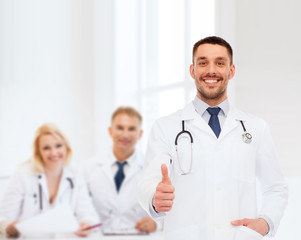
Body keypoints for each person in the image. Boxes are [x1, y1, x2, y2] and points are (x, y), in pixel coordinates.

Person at [138, 36, 288, 240]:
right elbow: (149, 182)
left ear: (231, 71)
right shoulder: (165, 128)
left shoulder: (256, 128)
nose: (211, 71)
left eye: (220, 63)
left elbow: (276, 187)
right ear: (192, 71)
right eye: (203, 63)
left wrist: (265, 223)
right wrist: (155, 199)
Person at [0, 123, 99, 238]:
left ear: (66, 147)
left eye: (58, 146)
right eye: (46, 148)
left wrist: (86, 224)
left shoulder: (76, 175)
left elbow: (88, 213)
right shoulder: (23, 175)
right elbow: (3, 216)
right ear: (38, 152)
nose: (54, 153)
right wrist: (8, 227)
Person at [83, 106, 157, 234]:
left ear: (140, 134)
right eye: (120, 128)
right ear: (110, 131)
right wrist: (86, 222)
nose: (125, 134)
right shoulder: (88, 168)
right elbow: (81, 207)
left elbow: (167, 210)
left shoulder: (153, 167)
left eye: (132, 129)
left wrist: (156, 223)